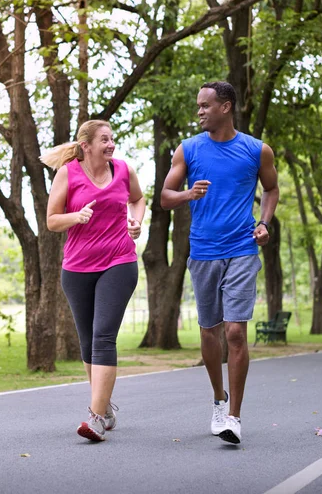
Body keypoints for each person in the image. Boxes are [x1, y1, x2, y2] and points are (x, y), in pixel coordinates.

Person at [161, 81, 279, 445]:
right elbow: (165, 197)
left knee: (235, 331)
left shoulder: (257, 150)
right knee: (209, 330)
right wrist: (187, 193)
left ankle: (234, 417)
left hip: (243, 248)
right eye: (198, 106)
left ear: (225, 107)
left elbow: (270, 190)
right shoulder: (189, 149)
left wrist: (263, 224)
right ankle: (218, 398)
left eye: (205, 106)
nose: (199, 112)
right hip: (203, 251)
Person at [41, 119, 146, 442]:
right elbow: (51, 220)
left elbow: (138, 200)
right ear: (86, 146)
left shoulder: (124, 170)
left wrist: (136, 222)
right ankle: (106, 408)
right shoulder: (68, 173)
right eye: (104, 139)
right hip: (77, 268)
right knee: (87, 342)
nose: (111, 144)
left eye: (112, 138)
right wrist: (77, 216)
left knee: (103, 338)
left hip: (119, 261)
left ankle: (96, 417)